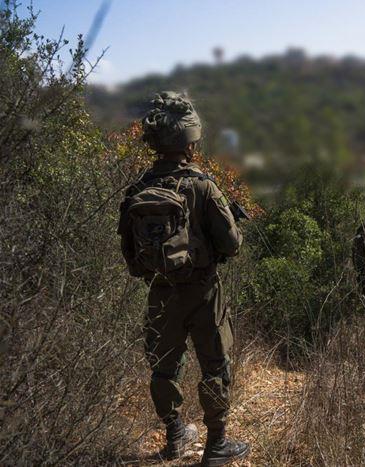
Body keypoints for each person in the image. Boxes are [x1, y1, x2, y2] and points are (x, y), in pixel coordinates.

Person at [117, 91, 248, 466]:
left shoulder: (138, 189)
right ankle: (217, 445)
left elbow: (129, 251)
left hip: (160, 292)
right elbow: (232, 244)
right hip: (204, 292)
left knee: (163, 367)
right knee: (215, 366)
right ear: (189, 141)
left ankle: (175, 434)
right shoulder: (202, 185)